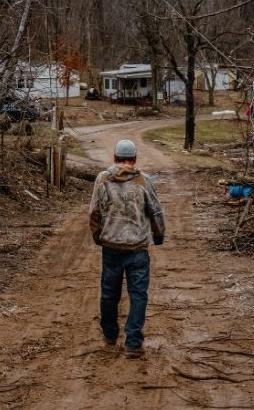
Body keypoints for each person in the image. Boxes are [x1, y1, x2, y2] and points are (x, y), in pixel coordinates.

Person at [88, 138, 166, 358]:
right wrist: (158, 235)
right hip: (137, 248)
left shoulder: (103, 179)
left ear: (115, 158)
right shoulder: (144, 180)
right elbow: (156, 211)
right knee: (138, 294)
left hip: (111, 246)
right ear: (134, 158)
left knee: (110, 293)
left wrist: (98, 236)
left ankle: (110, 335)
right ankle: (133, 342)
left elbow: (94, 211)